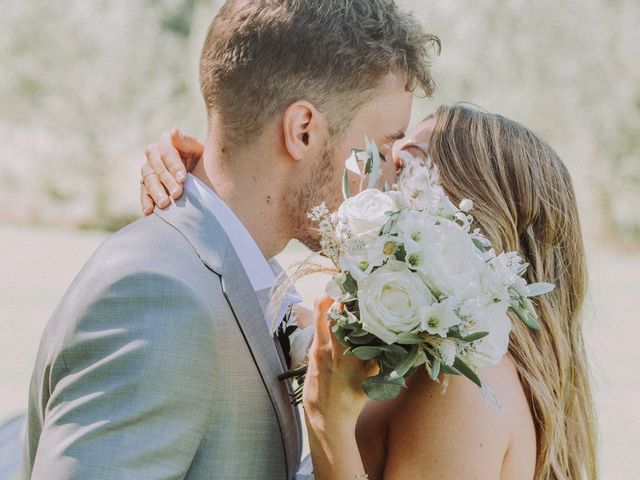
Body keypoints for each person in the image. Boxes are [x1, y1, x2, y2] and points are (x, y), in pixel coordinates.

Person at [22, 1, 438, 479]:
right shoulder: (160, 299)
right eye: (384, 147)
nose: (389, 177)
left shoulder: (252, 273)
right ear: (303, 131)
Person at [140, 104, 598, 479]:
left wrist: (328, 423)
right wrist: (205, 186)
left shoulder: (462, 387)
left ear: (465, 210)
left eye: (401, 163)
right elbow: (268, 315)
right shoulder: (416, 355)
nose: (367, 178)